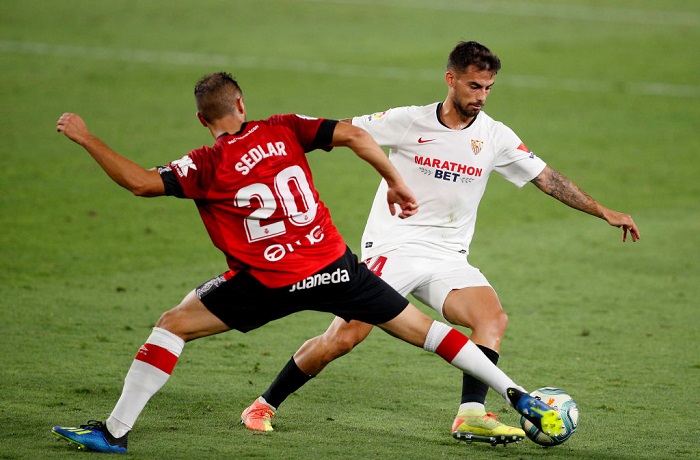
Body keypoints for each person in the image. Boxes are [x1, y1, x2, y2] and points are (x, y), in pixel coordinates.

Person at [51, 72, 563, 454]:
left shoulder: (204, 163)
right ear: (242, 104)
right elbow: (357, 135)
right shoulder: (284, 129)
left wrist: (85, 136)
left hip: (267, 281)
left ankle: (116, 432)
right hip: (335, 267)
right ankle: (518, 394)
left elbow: (141, 182)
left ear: (203, 121)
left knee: (173, 325)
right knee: (425, 330)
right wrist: (394, 179)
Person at [241, 41, 641, 445]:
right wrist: (266, 145)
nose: (481, 97)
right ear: (450, 80)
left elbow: (546, 178)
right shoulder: (409, 121)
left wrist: (603, 210)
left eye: (488, 88)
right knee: (344, 337)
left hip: (448, 256)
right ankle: (264, 403)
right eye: (473, 86)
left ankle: (471, 414)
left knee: (491, 319)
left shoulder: (495, 136)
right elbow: (338, 130)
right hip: (392, 249)